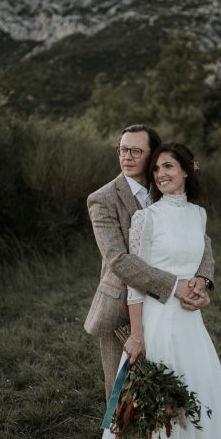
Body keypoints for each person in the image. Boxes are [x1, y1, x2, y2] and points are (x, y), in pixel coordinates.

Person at [47, 142, 221, 439]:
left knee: (196, 387)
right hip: (158, 319)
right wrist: (138, 334)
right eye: (157, 168)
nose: (161, 174)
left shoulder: (199, 215)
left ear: (188, 171)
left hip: (189, 322)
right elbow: (131, 280)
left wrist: (199, 283)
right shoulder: (147, 218)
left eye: (169, 167)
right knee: (157, 397)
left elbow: (200, 256)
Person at [84, 124, 214, 400]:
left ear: (152, 154)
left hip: (170, 312)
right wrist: (173, 286)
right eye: (122, 150)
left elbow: (200, 239)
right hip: (120, 307)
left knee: (170, 391)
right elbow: (118, 259)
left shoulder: (167, 184)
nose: (126, 157)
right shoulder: (103, 199)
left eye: (135, 151)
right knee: (124, 394)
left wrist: (201, 281)